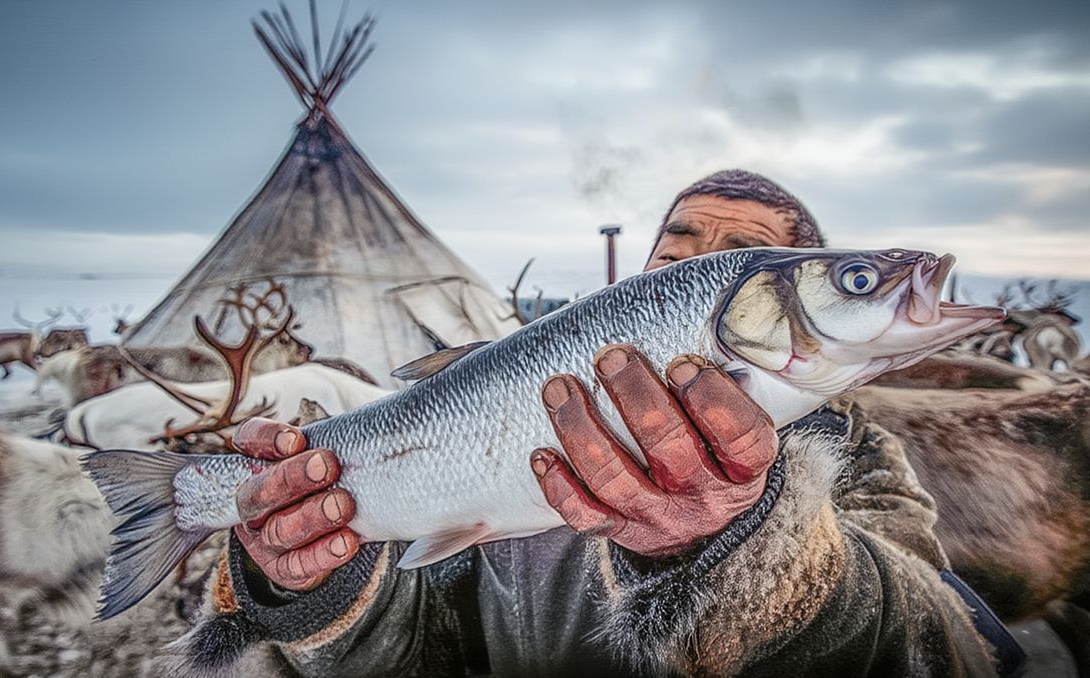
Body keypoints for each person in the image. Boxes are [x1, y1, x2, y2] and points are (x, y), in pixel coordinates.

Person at [175, 170, 1019, 676]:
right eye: (676, 251)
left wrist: (756, 546)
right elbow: (406, 655)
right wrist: (316, 577)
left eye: (735, 250)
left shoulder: (863, 461)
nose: (694, 267)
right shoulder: (523, 397)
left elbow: (948, 649)